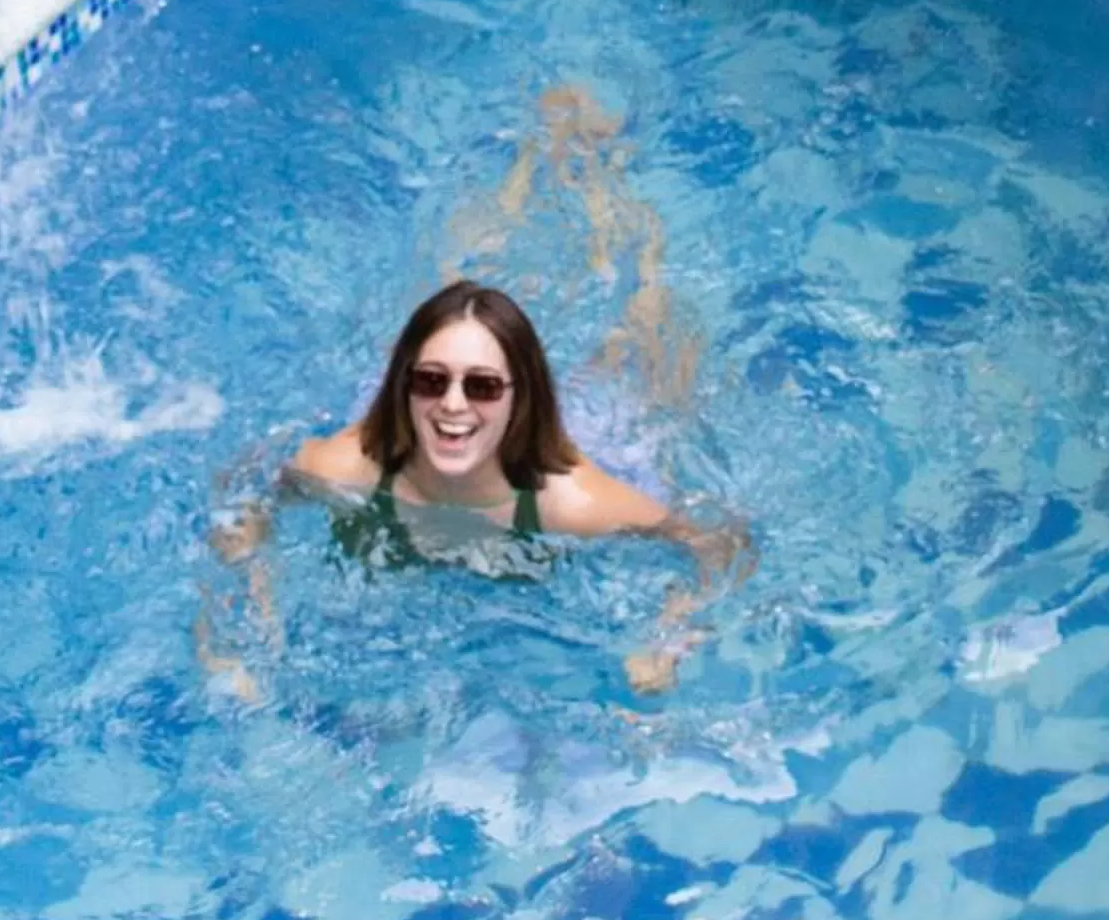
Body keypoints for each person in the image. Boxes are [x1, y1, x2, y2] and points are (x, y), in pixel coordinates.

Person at [204, 281, 742, 696]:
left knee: (642, 364)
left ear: (518, 397)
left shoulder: (571, 503)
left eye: (482, 387)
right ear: (404, 386)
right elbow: (243, 485)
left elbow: (719, 541)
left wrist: (668, 635)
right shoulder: (347, 469)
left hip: (602, 436)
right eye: (431, 381)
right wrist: (253, 592)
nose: (454, 404)